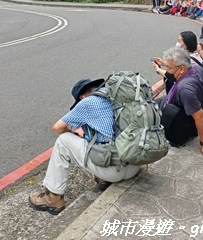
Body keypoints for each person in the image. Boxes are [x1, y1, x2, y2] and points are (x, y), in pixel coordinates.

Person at [29, 78, 141, 214]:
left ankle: (53, 198)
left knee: (64, 140)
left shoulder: (87, 102)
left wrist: (73, 136)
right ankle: (103, 179)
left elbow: (58, 127)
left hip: (114, 172)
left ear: (81, 96)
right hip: (135, 165)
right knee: (102, 139)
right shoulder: (117, 96)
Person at [153, 48, 203, 158]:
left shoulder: (185, 90)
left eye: (168, 67)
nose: (167, 70)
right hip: (183, 106)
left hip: (177, 118)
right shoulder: (197, 69)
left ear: (181, 69)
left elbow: (200, 117)